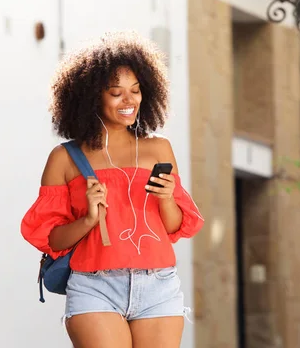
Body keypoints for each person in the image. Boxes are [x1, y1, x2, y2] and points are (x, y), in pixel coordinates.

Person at [20, 31, 205, 348]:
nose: (129, 100)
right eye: (116, 92)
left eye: (136, 90)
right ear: (91, 97)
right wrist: (88, 220)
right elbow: (51, 240)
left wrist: (166, 199)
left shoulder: (158, 149)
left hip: (158, 286)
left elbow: (174, 227)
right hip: (94, 287)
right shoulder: (64, 159)